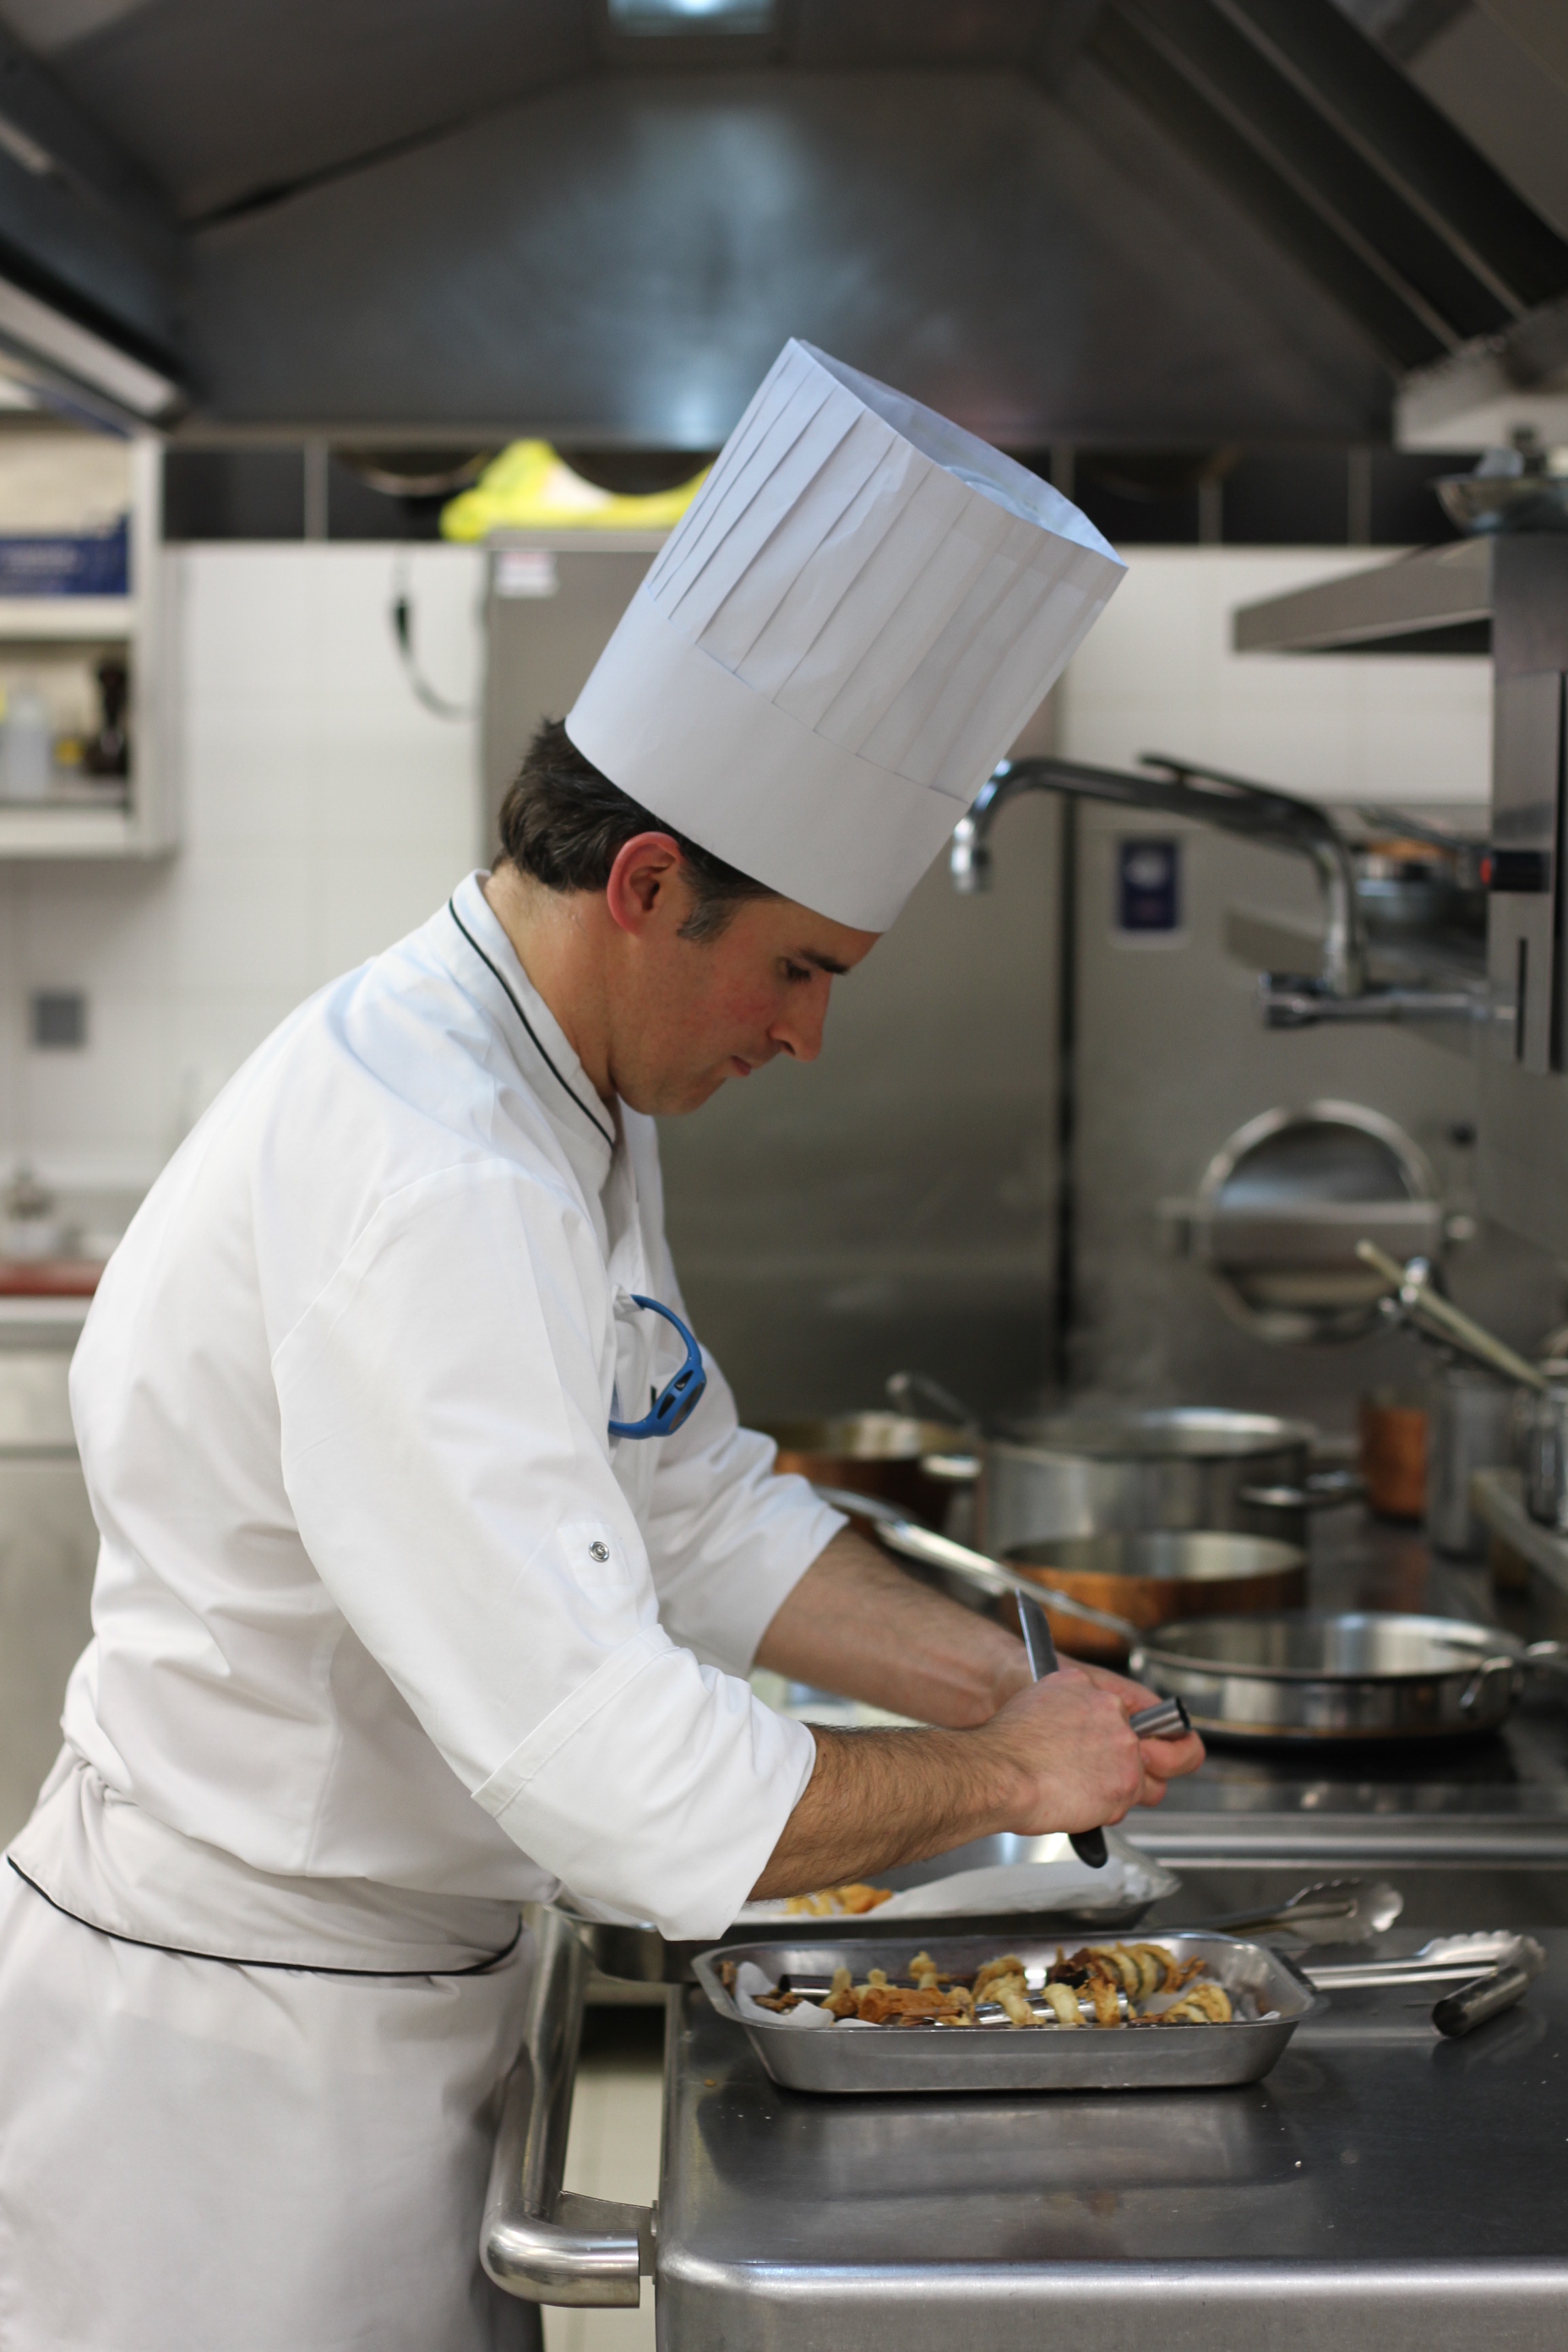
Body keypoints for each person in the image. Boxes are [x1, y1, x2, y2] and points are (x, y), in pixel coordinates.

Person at [0, 341, 1200, 2352]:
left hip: (386, 2008)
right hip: (232, 2102)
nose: (809, 1033)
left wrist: (1016, 1679)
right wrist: (1002, 1772)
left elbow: (688, 1497)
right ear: (648, 885)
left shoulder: (559, 1085)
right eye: (799, 966)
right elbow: (619, 1779)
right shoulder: (441, 1178)